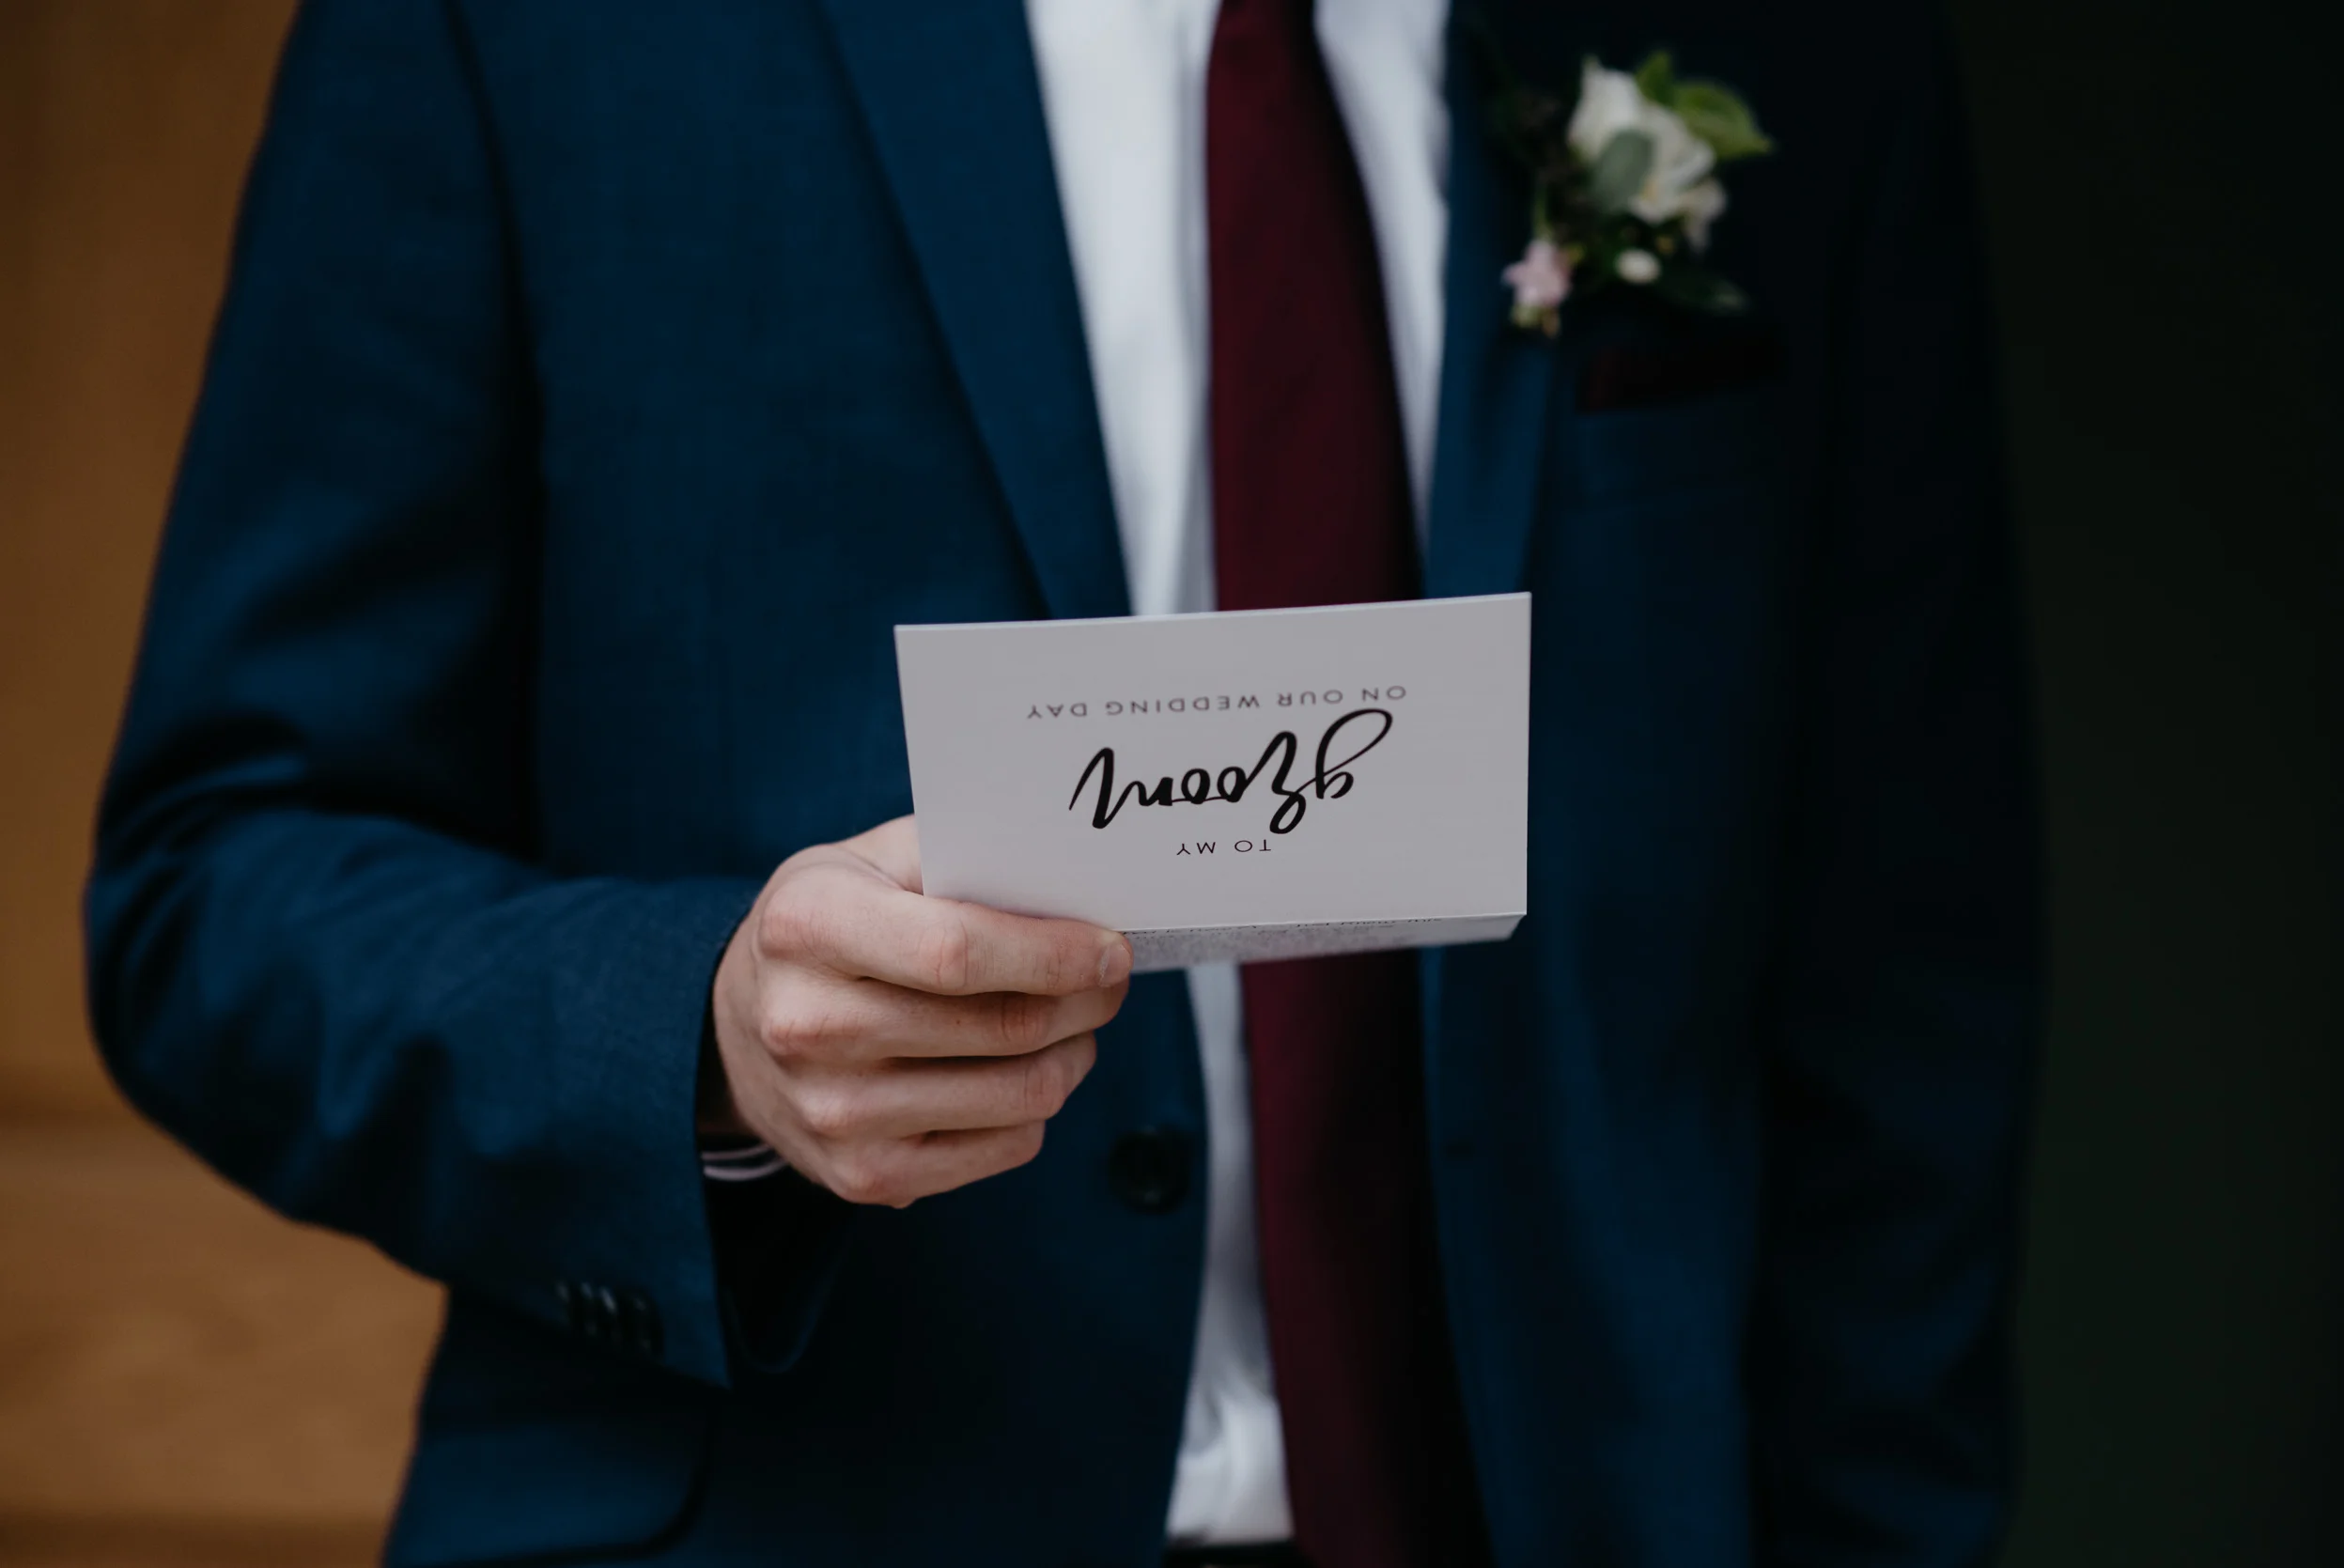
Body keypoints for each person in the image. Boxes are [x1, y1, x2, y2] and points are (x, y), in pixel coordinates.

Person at [84, 1, 2040, 1564]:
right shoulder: (525, 29)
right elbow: (216, 874)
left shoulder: (1802, 40)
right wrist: (703, 1050)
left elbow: (1901, 956)